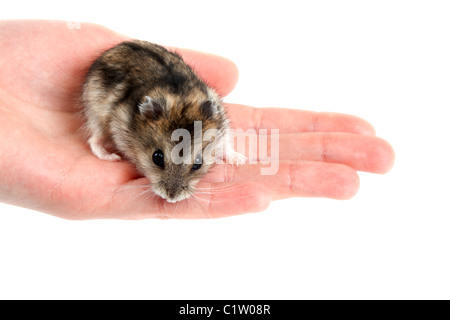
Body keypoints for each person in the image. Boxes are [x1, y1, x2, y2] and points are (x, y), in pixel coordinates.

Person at [0, 20, 394, 219]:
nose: (172, 189)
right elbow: (120, 118)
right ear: (146, 124)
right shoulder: (141, 115)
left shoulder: (211, 121)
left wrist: (228, 151)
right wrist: (104, 139)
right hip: (119, 78)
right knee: (103, 123)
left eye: (196, 164)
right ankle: (93, 140)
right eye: (159, 161)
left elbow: (218, 132)